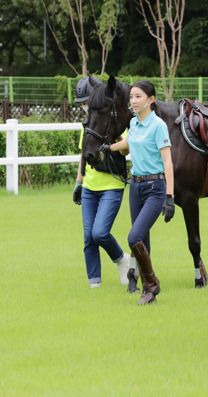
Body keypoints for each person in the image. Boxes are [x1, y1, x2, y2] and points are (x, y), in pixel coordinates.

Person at [106, 80, 175, 305]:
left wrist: (169, 196)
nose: (133, 101)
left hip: (155, 188)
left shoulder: (158, 126)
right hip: (135, 186)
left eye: (138, 97)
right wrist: (108, 148)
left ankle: (152, 285)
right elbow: (128, 143)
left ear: (151, 100)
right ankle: (149, 291)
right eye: (132, 96)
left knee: (133, 237)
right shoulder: (134, 124)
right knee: (142, 238)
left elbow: (167, 161)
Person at [73, 76, 130, 288]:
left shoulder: (116, 118)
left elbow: (126, 148)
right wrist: (79, 182)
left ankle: (121, 259)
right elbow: (83, 154)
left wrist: (111, 142)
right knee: (88, 238)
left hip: (111, 185)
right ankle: (94, 284)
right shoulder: (88, 126)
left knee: (100, 233)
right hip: (90, 186)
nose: (88, 106)